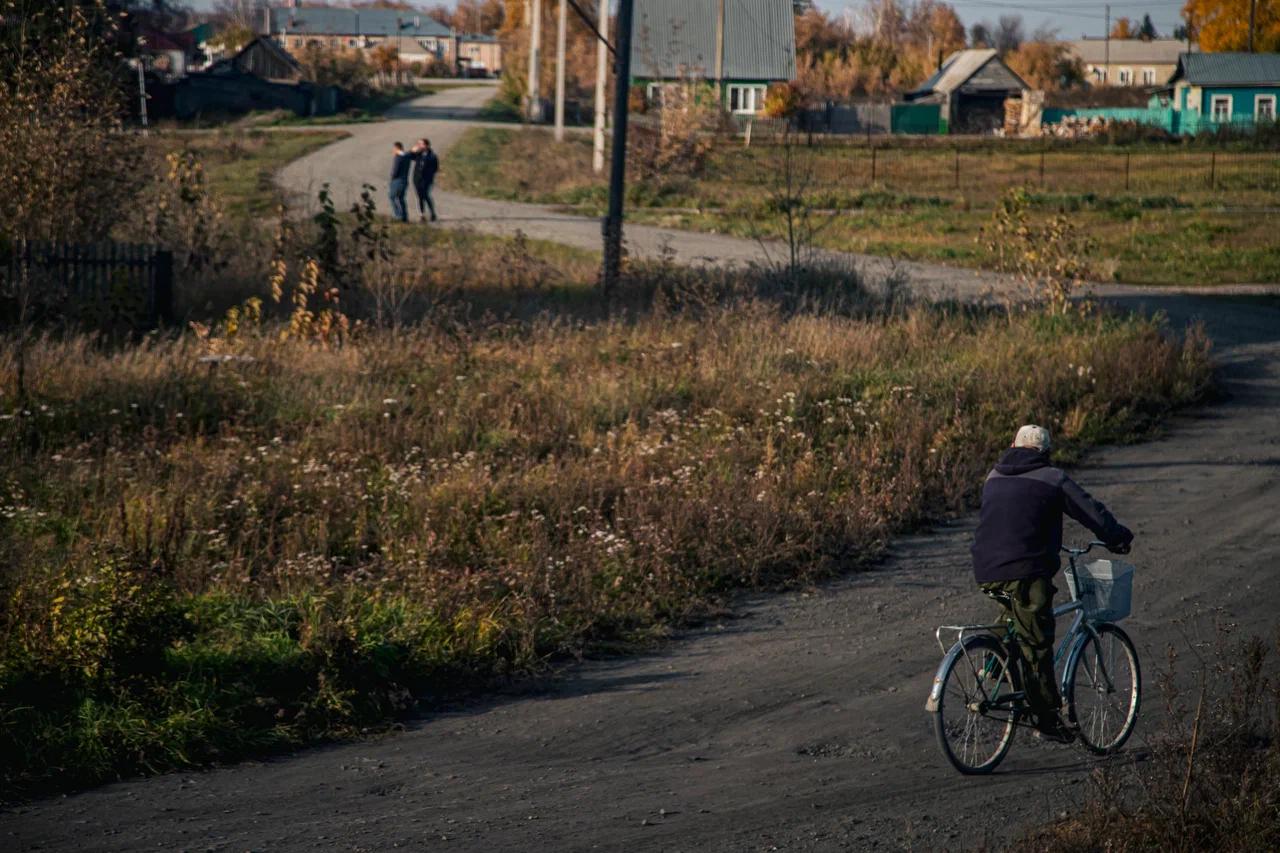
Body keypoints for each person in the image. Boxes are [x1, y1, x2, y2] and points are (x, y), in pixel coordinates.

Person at [970, 425, 1133, 744]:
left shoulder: (994, 476)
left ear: (1012, 445)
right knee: (1037, 644)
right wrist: (1117, 537)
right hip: (1026, 569)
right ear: (1045, 453)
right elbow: (1091, 512)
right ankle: (1046, 719)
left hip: (985, 567)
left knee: (1014, 614)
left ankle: (993, 665)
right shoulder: (1051, 477)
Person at [410, 138, 439, 223]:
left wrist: (429, 176)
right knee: (420, 197)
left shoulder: (432, 156)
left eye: (421, 144)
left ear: (427, 145)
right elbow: (409, 157)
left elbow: (435, 168)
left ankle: (432, 213)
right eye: (419, 144)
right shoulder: (419, 154)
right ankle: (422, 215)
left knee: (426, 196)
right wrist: (412, 150)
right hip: (417, 179)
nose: (420, 146)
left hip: (426, 180)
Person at [388, 141, 412, 223]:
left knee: (392, 196)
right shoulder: (407, 157)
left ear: (396, 148)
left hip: (397, 180)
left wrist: (392, 177)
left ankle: (398, 215)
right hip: (405, 180)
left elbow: (395, 170)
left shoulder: (398, 157)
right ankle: (405, 216)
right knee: (401, 198)